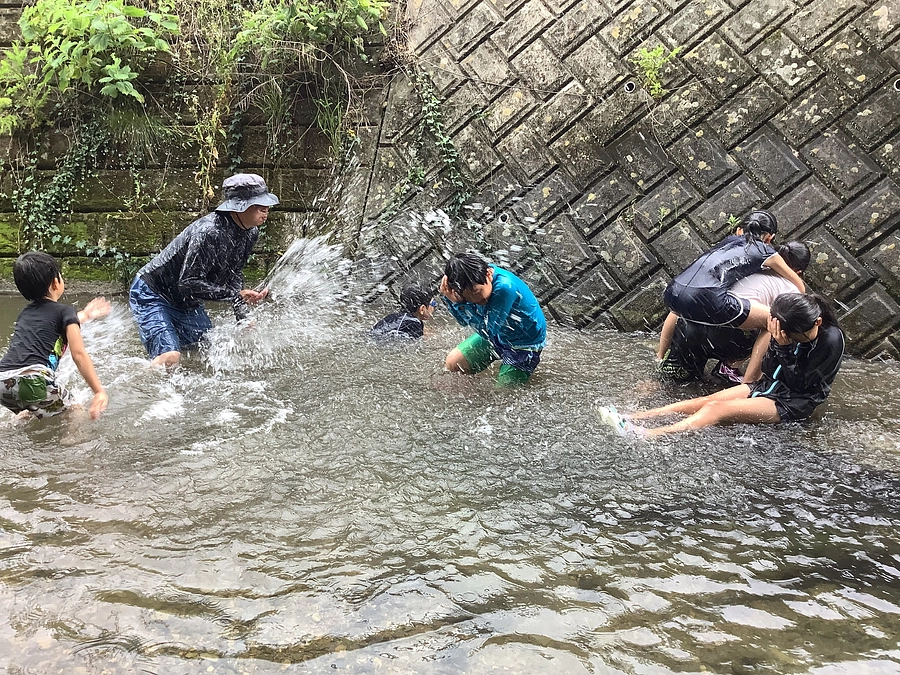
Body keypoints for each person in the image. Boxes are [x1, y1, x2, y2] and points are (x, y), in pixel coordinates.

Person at [605, 293, 844, 436]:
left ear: (817, 322)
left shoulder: (830, 342)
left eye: (791, 337)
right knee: (703, 401)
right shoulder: (786, 329)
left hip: (792, 402)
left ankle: (646, 434)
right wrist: (777, 346)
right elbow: (770, 369)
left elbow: (800, 384)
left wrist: (782, 347)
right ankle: (634, 416)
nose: (784, 338)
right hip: (766, 386)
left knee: (715, 410)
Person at [129, 174, 277, 368]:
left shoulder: (251, 232)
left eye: (265, 203)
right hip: (153, 293)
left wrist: (242, 315)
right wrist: (234, 295)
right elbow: (188, 283)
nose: (265, 208)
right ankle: (135, 385)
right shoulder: (208, 232)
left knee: (203, 352)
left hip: (186, 301)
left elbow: (234, 273)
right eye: (257, 204)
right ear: (238, 206)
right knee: (170, 359)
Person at [656, 210, 805, 366]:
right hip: (709, 300)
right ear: (769, 238)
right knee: (773, 321)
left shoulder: (727, 242)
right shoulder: (766, 251)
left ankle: (660, 356)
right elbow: (798, 284)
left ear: (739, 230)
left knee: (679, 309)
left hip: (673, 292)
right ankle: (748, 379)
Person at [658, 241, 811, 384]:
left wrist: (661, 352)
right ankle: (737, 373)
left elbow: (678, 311)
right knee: (776, 323)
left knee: (671, 382)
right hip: (724, 337)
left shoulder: (748, 265)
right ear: (798, 272)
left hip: (690, 327)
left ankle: (658, 370)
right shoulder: (792, 289)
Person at [0, 252, 109, 420]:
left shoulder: (25, 313)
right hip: (33, 378)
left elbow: (54, 325)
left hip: (3, 380)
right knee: (75, 410)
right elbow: (78, 354)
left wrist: (86, 315)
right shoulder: (66, 311)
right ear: (56, 282)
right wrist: (99, 391)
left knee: (29, 409)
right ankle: (72, 445)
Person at [439, 252, 546, 386]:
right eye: (468, 297)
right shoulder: (458, 289)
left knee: (502, 396)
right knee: (453, 364)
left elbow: (487, 331)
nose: (476, 300)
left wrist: (461, 304)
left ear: (489, 274)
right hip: (497, 335)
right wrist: (454, 302)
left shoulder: (504, 288)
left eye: (477, 292)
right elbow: (463, 322)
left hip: (524, 344)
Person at [368, 285, 436, 340]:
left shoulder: (393, 316)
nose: (435, 306)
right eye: (433, 303)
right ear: (422, 309)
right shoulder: (414, 324)